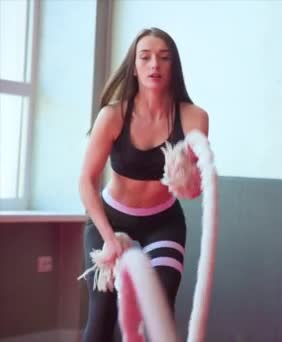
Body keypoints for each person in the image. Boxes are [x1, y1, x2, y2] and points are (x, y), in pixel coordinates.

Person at [79, 27, 209, 341]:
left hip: (162, 222)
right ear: (134, 67)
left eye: (164, 58)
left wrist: (190, 183)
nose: (154, 65)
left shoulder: (194, 118)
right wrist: (109, 238)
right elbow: (86, 180)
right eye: (145, 57)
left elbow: (194, 187)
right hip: (110, 221)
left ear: (173, 67)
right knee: (102, 317)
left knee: (159, 308)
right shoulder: (113, 116)